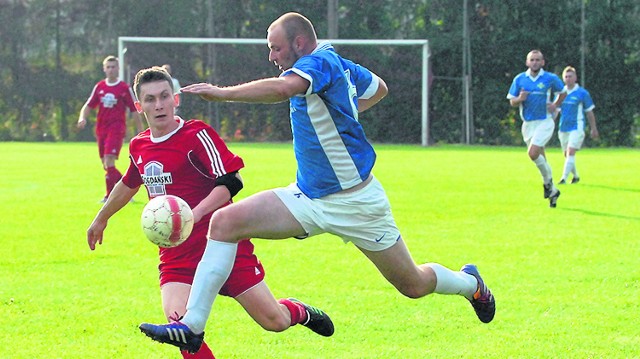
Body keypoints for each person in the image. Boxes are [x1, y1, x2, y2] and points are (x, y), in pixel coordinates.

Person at [140, 12, 496, 352]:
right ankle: (192, 327)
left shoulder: (317, 64)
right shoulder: (335, 61)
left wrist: (222, 92)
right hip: (308, 198)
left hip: (357, 203)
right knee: (225, 222)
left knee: (413, 285)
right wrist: (345, 113)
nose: (271, 56)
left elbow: (283, 89)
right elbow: (379, 88)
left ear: (299, 43)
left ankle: (471, 284)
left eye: (276, 48)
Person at [87, 66, 334, 357]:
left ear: (175, 99)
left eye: (165, 96)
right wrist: (101, 218)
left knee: (274, 321)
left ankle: (299, 311)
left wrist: (196, 213)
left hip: (222, 245)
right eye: (151, 99)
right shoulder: (140, 145)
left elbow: (232, 180)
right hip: (177, 254)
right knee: (181, 332)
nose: (159, 105)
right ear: (139, 107)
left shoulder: (196, 134)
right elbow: (130, 181)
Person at [78, 55, 144, 203]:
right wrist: (82, 117)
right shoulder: (100, 86)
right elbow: (88, 105)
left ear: (118, 69)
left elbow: (134, 110)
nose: (111, 69)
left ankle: (114, 194)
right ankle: (123, 192)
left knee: (109, 162)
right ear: (104, 69)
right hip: (101, 130)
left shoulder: (124, 88)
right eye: (108, 67)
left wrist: (140, 131)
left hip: (116, 128)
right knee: (106, 165)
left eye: (113, 67)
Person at [507, 49, 567, 208]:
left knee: (532, 153)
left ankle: (547, 184)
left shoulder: (549, 78)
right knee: (540, 157)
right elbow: (512, 101)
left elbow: (563, 92)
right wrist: (520, 98)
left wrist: (555, 104)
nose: (534, 62)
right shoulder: (520, 79)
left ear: (542, 62)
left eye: (537, 60)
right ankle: (553, 191)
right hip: (528, 124)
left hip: (545, 121)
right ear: (527, 62)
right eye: (532, 60)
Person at [554, 66, 599, 184]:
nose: (568, 79)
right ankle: (576, 176)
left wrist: (593, 128)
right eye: (566, 77)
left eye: (570, 76)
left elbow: (589, 111)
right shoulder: (560, 93)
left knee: (570, 151)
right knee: (566, 154)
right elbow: (555, 111)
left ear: (575, 78)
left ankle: (563, 178)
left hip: (577, 126)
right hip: (563, 127)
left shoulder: (582, 93)